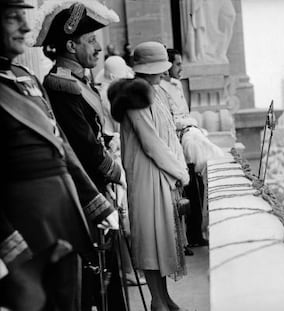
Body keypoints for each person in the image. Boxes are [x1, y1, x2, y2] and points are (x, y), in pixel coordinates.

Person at [0, 1, 118, 310]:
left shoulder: (25, 76)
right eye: (13, 19)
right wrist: (8, 244)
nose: (25, 28)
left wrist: (96, 204)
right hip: (23, 223)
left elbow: (61, 146)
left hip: (63, 212)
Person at [34, 1, 127, 310]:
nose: (98, 48)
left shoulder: (77, 80)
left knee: (108, 272)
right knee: (99, 279)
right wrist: (119, 174)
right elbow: (85, 148)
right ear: (71, 45)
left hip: (97, 183)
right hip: (86, 191)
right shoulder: (62, 85)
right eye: (91, 41)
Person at [109, 41, 190, 311]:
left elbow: (168, 136)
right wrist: (179, 171)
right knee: (153, 240)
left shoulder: (154, 92)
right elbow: (151, 142)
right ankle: (158, 301)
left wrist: (179, 168)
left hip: (162, 172)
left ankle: (164, 297)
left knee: (163, 239)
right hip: (147, 175)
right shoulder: (134, 96)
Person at [160, 48, 224, 247]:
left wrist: (190, 122)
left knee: (209, 169)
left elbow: (184, 113)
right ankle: (195, 234)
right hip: (179, 140)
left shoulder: (177, 85)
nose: (181, 68)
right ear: (167, 66)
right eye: (177, 64)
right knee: (193, 190)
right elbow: (171, 119)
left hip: (191, 131)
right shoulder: (159, 88)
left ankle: (204, 229)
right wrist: (188, 123)